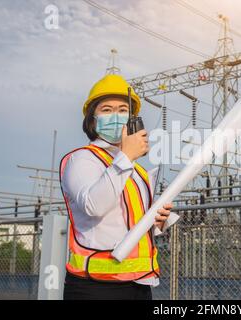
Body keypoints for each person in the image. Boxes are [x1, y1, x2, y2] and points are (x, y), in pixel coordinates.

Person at [59, 74, 179, 300]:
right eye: (106, 110)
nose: (116, 116)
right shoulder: (82, 160)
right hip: (94, 286)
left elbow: (130, 224)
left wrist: (158, 222)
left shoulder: (137, 171)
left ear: (133, 119)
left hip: (139, 283)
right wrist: (126, 156)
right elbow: (94, 206)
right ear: (92, 120)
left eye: (123, 110)